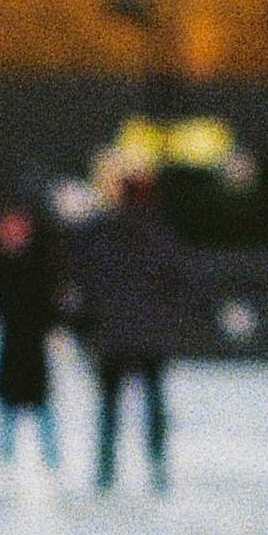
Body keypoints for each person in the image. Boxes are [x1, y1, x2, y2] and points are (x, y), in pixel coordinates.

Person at [67, 165, 189, 492]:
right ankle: (157, 466)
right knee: (152, 403)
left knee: (110, 404)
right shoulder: (160, 232)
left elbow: (87, 281)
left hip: (112, 335)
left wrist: (89, 325)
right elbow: (176, 283)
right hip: (150, 335)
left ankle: (106, 468)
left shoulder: (103, 231)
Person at [0, 202, 62, 466]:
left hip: (32, 341)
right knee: (9, 404)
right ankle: (6, 456)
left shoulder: (37, 260)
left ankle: (49, 457)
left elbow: (48, 300)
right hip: (12, 341)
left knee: (39, 402)